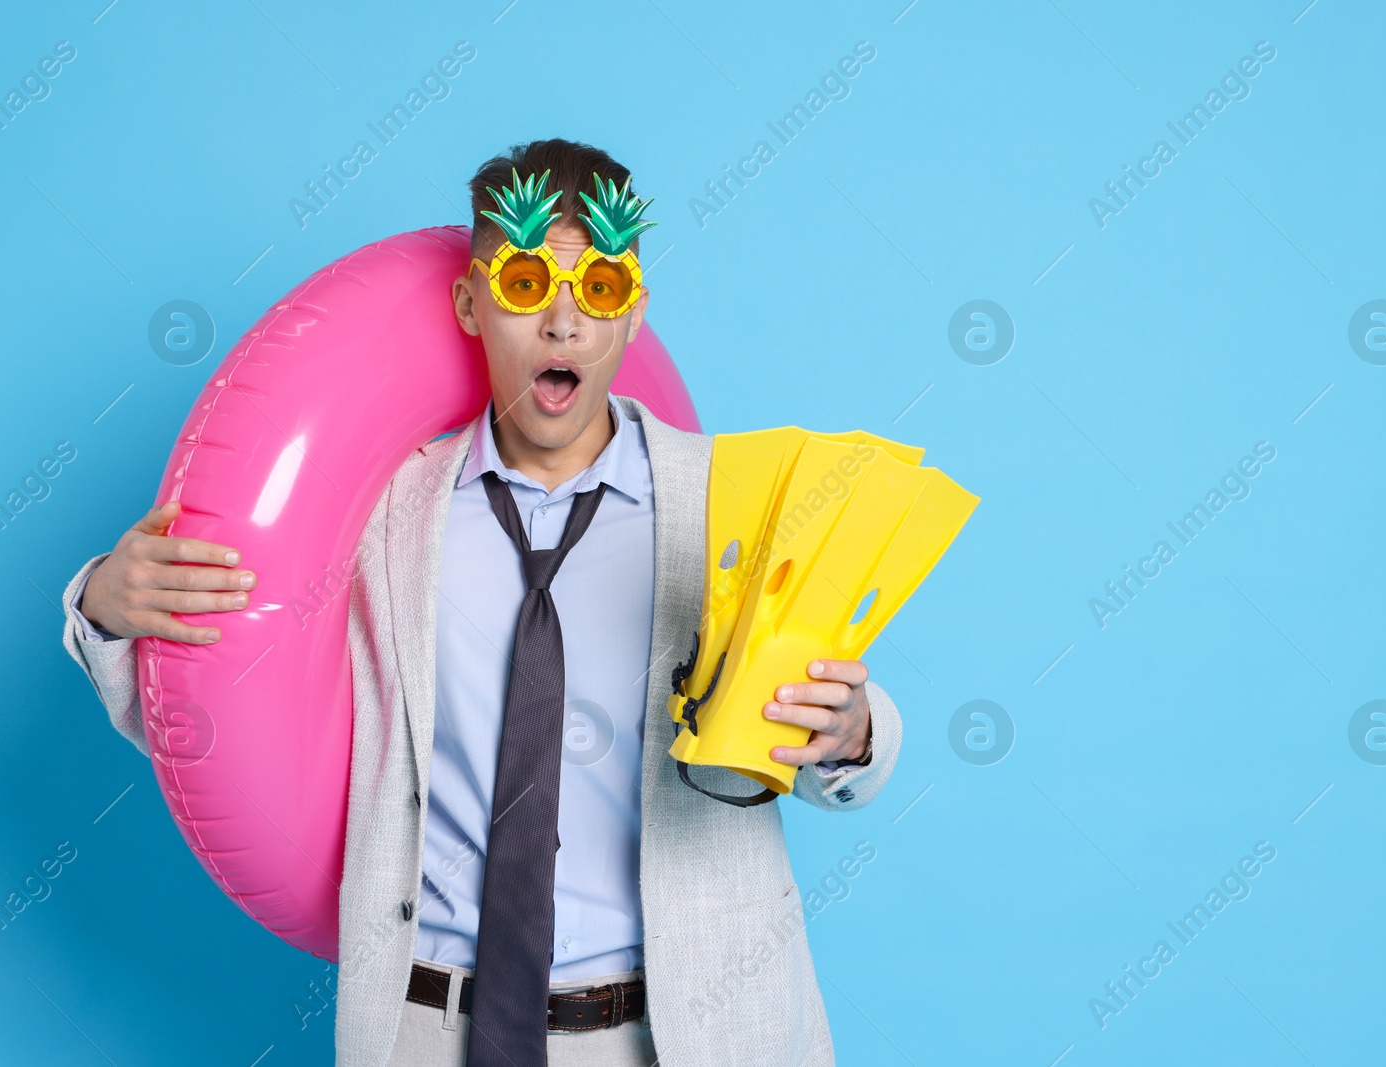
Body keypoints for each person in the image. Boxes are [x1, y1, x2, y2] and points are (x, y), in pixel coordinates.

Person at [58, 138, 902, 1067]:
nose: (564, 325)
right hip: (429, 1028)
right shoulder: (384, 522)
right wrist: (101, 604)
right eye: (527, 283)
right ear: (470, 303)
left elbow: (830, 715)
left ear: (635, 315)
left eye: (601, 293)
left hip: (678, 1031)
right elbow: (223, 719)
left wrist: (856, 730)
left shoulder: (725, 505)